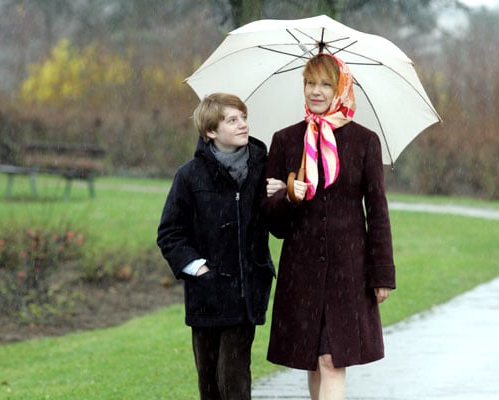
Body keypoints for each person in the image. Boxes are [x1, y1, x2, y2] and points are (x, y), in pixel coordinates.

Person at [263, 53, 396, 399]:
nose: (316, 92)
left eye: (325, 84)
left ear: (341, 88)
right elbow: (271, 221)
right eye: (310, 83)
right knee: (313, 360)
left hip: (347, 271)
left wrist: (381, 274)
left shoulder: (364, 141)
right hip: (301, 270)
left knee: (331, 360)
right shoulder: (285, 140)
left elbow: (378, 211)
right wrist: (289, 197)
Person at [157, 93, 275, 400]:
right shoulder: (189, 176)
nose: (243, 125)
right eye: (232, 120)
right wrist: (199, 268)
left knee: (233, 381)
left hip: (246, 292)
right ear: (211, 131)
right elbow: (170, 233)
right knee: (209, 385)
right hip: (205, 295)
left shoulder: (265, 169)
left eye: (244, 118)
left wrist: (284, 196)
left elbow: (281, 226)